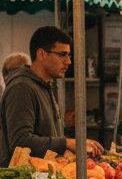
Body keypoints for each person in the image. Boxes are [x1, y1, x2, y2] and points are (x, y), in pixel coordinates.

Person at [0, 27, 102, 164]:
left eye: (69, 55)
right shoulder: (22, 88)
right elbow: (20, 141)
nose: (68, 62)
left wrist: (70, 146)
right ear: (41, 54)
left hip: (44, 177)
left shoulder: (45, 85)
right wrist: (65, 143)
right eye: (62, 55)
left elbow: (47, 135)